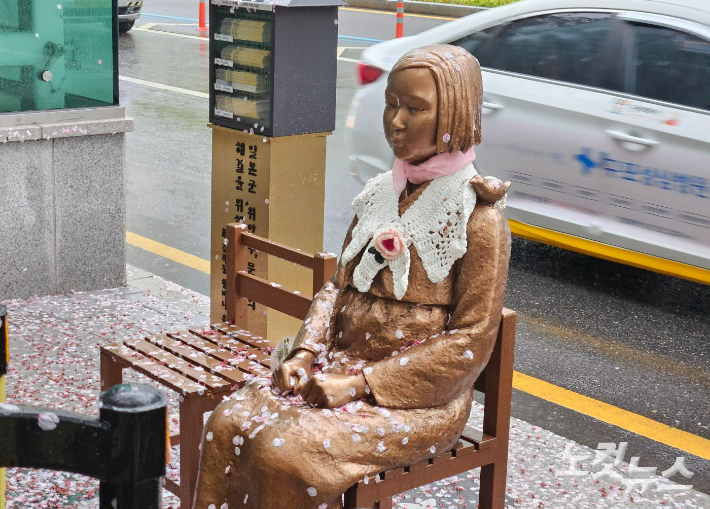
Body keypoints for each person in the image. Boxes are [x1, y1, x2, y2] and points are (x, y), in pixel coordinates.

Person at [192, 43, 511, 509]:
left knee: (286, 451)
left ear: (457, 116)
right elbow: (336, 289)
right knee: (228, 422)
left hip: (419, 402)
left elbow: (471, 340)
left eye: (415, 108)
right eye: (391, 103)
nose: (396, 121)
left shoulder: (479, 219)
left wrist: (363, 385)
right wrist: (304, 353)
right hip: (335, 366)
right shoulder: (378, 195)